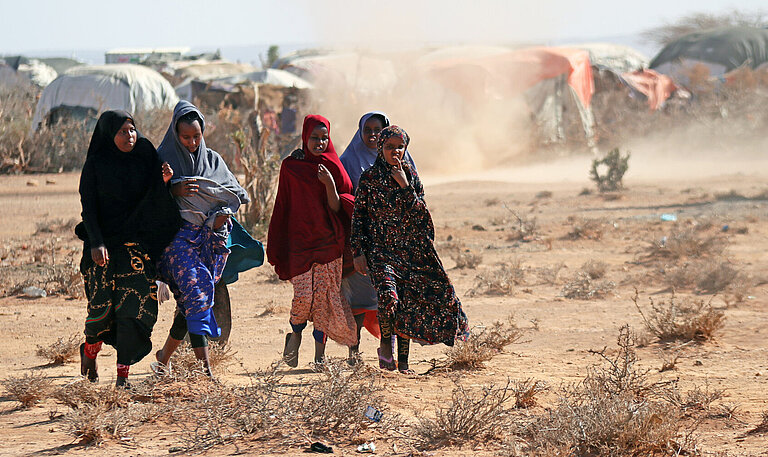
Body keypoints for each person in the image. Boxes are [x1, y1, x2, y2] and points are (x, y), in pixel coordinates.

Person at [350, 125, 469, 374]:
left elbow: (422, 217)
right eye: (389, 147)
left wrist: (405, 186)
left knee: (407, 305)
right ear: (380, 149)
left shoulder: (411, 176)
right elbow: (358, 218)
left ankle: (402, 363)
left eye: (399, 147)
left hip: (410, 252)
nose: (394, 152)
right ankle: (385, 345)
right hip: (381, 251)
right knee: (388, 298)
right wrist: (358, 253)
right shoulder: (369, 179)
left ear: (406, 149)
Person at [76, 110, 181, 387]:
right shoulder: (96, 164)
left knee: (133, 310)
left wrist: (164, 183)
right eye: (122, 131)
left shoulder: (145, 152)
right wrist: (97, 243)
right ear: (109, 134)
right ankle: (89, 350)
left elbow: (152, 198)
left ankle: (123, 378)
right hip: (102, 247)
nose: (130, 136)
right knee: (101, 311)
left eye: (132, 129)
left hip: (136, 247)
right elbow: (89, 210)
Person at [154, 101, 250, 376]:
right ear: (175, 134)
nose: (193, 142)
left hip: (208, 240)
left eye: (197, 136)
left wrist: (220, 215)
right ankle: (205, 370)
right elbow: (147, 202)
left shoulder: (213, 160)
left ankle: (163, 359)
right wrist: (171, 188)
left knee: (189, 304)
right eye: (186, 137)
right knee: (197, 295)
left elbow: (232, 194)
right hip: (177, 241)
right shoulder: (162, 160)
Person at [267, 114, 357, 367]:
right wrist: (278, 243)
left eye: (323, 138)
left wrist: (329, 184)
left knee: (324, 301)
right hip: (299, 245)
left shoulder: (334, 167)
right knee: (303, 297)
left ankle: (319, 357)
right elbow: (282, 204)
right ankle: (294, 334)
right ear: (305, 138)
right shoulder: (291, 167)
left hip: (329, 244)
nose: (319, 142)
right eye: (314, 138)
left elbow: (340, 205)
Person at [339, 112, 417, 362]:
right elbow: (353, 210)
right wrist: (358, 251)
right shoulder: (350, 162)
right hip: (369, 246)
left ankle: (395, 356)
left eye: (378, 130)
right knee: (362, 301)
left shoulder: (407, 169)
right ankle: (356, 350)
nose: (372, 135)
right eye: (368, 130)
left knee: (398, 302)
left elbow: (419, 208)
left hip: (402, 247)